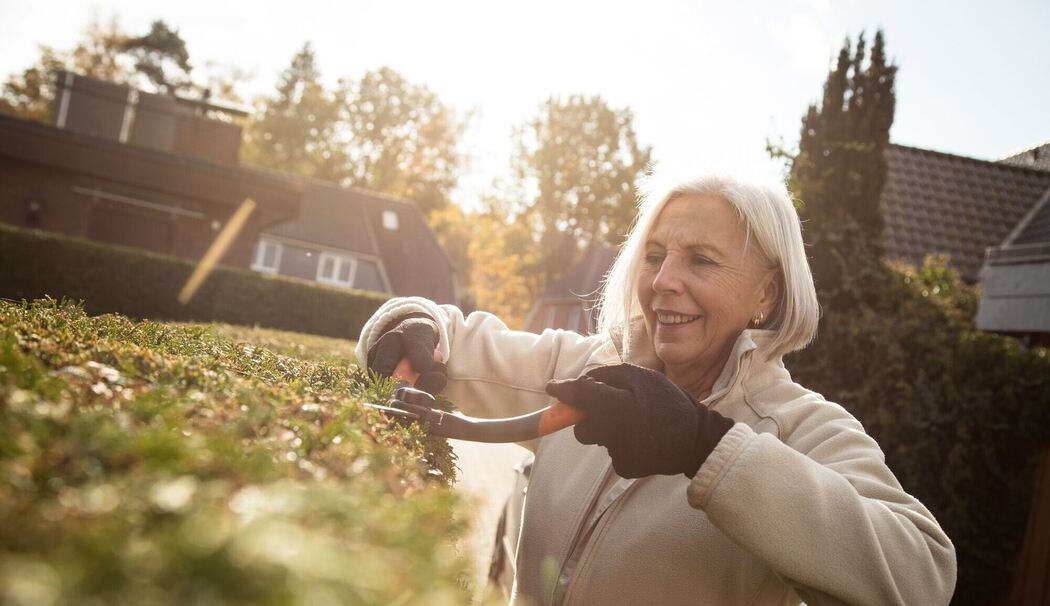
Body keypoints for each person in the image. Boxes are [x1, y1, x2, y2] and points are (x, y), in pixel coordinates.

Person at [356, 173, 957, 605]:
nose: (665, 281)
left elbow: (922, 576)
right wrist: (410, 324)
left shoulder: (801, 428)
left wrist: (706, 446)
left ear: (767, 295)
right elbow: (453, 342)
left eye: (700, 260)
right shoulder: (590, 367)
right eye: (655, 255)